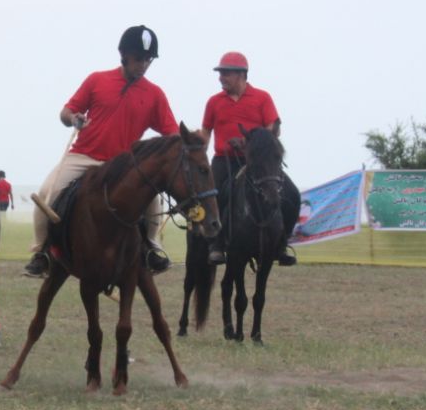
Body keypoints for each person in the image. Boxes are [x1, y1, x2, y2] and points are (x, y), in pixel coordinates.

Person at [24, 25, 177, 278]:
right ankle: (41, 253)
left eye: (148, 60)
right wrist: (74, 119)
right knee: (45, 195)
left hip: (124, 166)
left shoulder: (155, 95)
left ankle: (152, 248)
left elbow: (171, 135)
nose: (143, 65)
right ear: (123, 55)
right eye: (139, 59)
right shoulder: (97, 80)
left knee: (152, 196)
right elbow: (65, 113)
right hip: (83, 156)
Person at [199, 51, 300, 266]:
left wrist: (247, 143)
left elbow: (273, 129)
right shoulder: (214, 102)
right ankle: (216, 244)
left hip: (257, 162)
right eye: (220, 73)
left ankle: (282, 244)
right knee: (213, 195)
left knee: (292, 195)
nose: (221, 77)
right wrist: (197, 153)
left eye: (226, 73)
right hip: (223, 160)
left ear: (241, 74)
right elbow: (206, 131)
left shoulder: (262, 98)